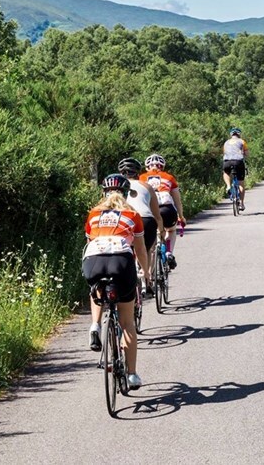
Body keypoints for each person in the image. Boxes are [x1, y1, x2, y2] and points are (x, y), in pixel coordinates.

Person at [83, 174, 150, 390]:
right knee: (128, 322)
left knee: (97, 289)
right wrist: (146, 274)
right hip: (121, 261)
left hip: (94, 260)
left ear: (103, 193)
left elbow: (91, 240)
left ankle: (95, 324)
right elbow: (139, 249)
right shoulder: (132, 214)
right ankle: (131, 375)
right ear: (128, 193)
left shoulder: (93, 215)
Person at [119, 156, 165, 297]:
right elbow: (157, 215)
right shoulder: (147, 186)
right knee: (146, 249)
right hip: (146, 219)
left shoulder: (117, 186)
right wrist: (161, 231)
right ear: (138, 173)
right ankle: (147, 279)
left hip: (125, 220)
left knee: (126, 249)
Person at [140, 154, 184, 269]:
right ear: (162, 167)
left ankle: (149, 275)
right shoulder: (169, 177)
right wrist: (181, 216)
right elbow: (177, 200)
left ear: (147, 168)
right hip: (167, 209)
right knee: (171, 230)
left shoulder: (141, 178)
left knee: (152, 243)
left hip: (149, 211)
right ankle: (169, 252)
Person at [221, 127, 248, 211]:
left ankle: (228, 186)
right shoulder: (242, 141)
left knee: (225, 173)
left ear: (231, 134)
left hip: (227, 162)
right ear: (239, 134)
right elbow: (246, 153)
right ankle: (242, 204)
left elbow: (224, 152)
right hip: (238, 162)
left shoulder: (226, 142)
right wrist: (244, 156)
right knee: (241, 183)